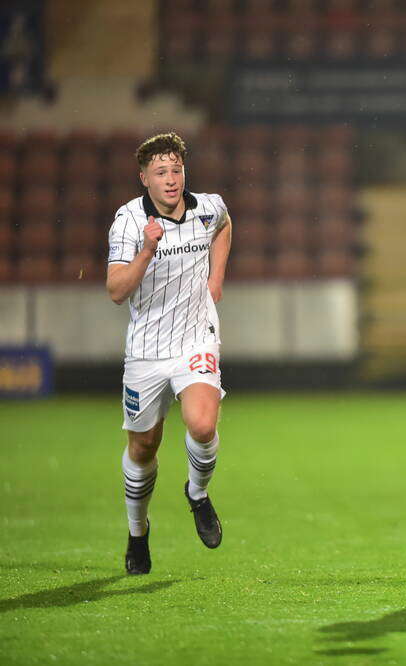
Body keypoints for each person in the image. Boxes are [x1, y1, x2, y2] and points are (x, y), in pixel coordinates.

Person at [106, 132, 232, 574]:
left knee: (202, 423)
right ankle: (138, 533)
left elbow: (225, 226)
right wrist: (147, 249)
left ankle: (197, 495)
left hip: (196, 336)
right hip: (146, 349)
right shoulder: (127, 222)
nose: (171, 178)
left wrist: (216, 278)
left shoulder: (208, 207)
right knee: (143, 448)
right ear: (144, 178)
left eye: (176, 169)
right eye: (161, 172)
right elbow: (117, 291)